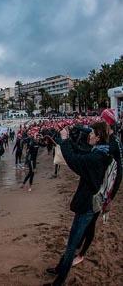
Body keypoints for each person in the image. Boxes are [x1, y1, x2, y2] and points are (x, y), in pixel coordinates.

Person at [45, 122, 112, 285]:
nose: (89, 135)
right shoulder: (101, 151)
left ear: (98, 137)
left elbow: (75, 161)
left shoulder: (96, 157)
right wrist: (65, 142)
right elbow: (81, 152)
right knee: (74, 241)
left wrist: (66, 139)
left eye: (92, 133)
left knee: (72, 245)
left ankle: (59, 281)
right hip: (92, 202)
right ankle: (60, 268)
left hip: (87, 205)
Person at [71, 109, 122, 267]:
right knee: (90, 219)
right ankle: (78, 246)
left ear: (107, 123)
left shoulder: (113, 143)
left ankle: (81, 254)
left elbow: (119, 172)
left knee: (91, 221)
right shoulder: (111, 138)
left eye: (102, 119)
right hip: (100, 185)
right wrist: (79, 126)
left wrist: (110, 197)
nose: (99, 120)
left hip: (104, 189)